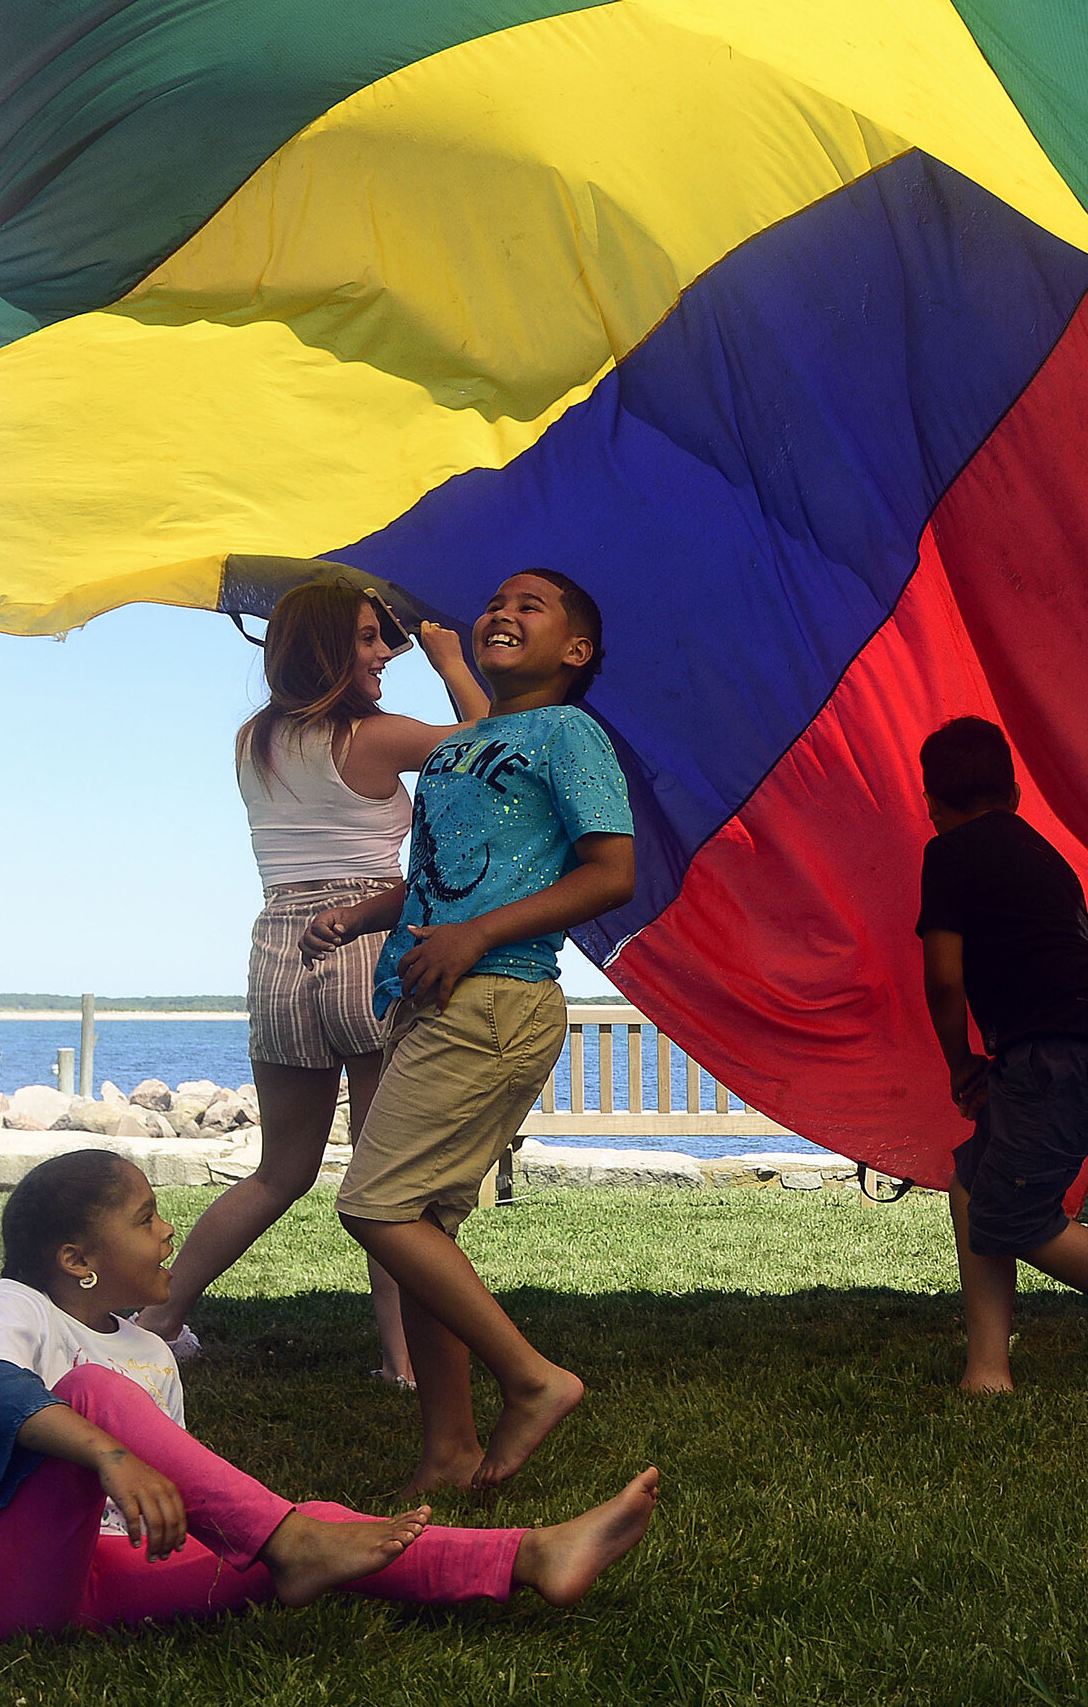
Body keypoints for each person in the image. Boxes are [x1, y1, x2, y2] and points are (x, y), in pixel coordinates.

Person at [0, 1151, 658, 1639]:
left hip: (108, 1578)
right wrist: (110, 1455)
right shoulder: (13, 1306)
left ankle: (531, 1556)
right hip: (4, 1580)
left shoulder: (151, 1351)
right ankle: (294, 1543)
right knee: (92, 1389)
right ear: (77, 1260)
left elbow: (173, 1501)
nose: (167, 1230)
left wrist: (215, 1527)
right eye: (146, 1217)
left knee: (322, 1523)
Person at [307, 571, 636, 1493]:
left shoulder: (568, 733)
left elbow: (613, 872)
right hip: (431, 996)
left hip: (497, 997)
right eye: (497, 600)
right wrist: (361, 914)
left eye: (532, 606)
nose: (503, 611)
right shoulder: (466, 745)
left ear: (575, 652)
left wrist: (479, 935)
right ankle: (448, 1449)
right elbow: (439, 879)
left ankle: (533, 1380)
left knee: (375, 1205)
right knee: (424, 1227)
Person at [139, 579, 490, 1388]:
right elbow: (487, 739)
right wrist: (446, 656)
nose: (383, 655)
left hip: (278, 949)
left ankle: (162, 1315)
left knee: (280, 1170)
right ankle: (402, 1360)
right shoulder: (372, 737)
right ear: (330, 650)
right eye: (369, 639)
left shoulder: (252, 741)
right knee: (389, 1179)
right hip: (365, 939)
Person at [914, 717, 1088, 1393]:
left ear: (932, 804)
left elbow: (946, 977)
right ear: (1013, 793)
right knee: (975, 1184)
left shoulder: (948, 852)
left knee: (1013, 1215)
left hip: (1058, 1058)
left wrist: (960, 1064)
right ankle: (987, 1367)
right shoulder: (1044, 854)